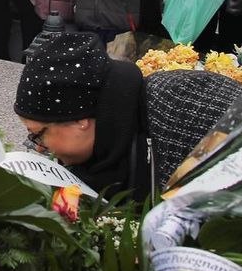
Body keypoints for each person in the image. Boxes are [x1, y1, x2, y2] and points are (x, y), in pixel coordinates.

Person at [14, 33, 146, 195]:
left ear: (79, 121)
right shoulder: (106, 145)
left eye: (39, 135)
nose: (40, 149)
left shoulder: (168, 137)